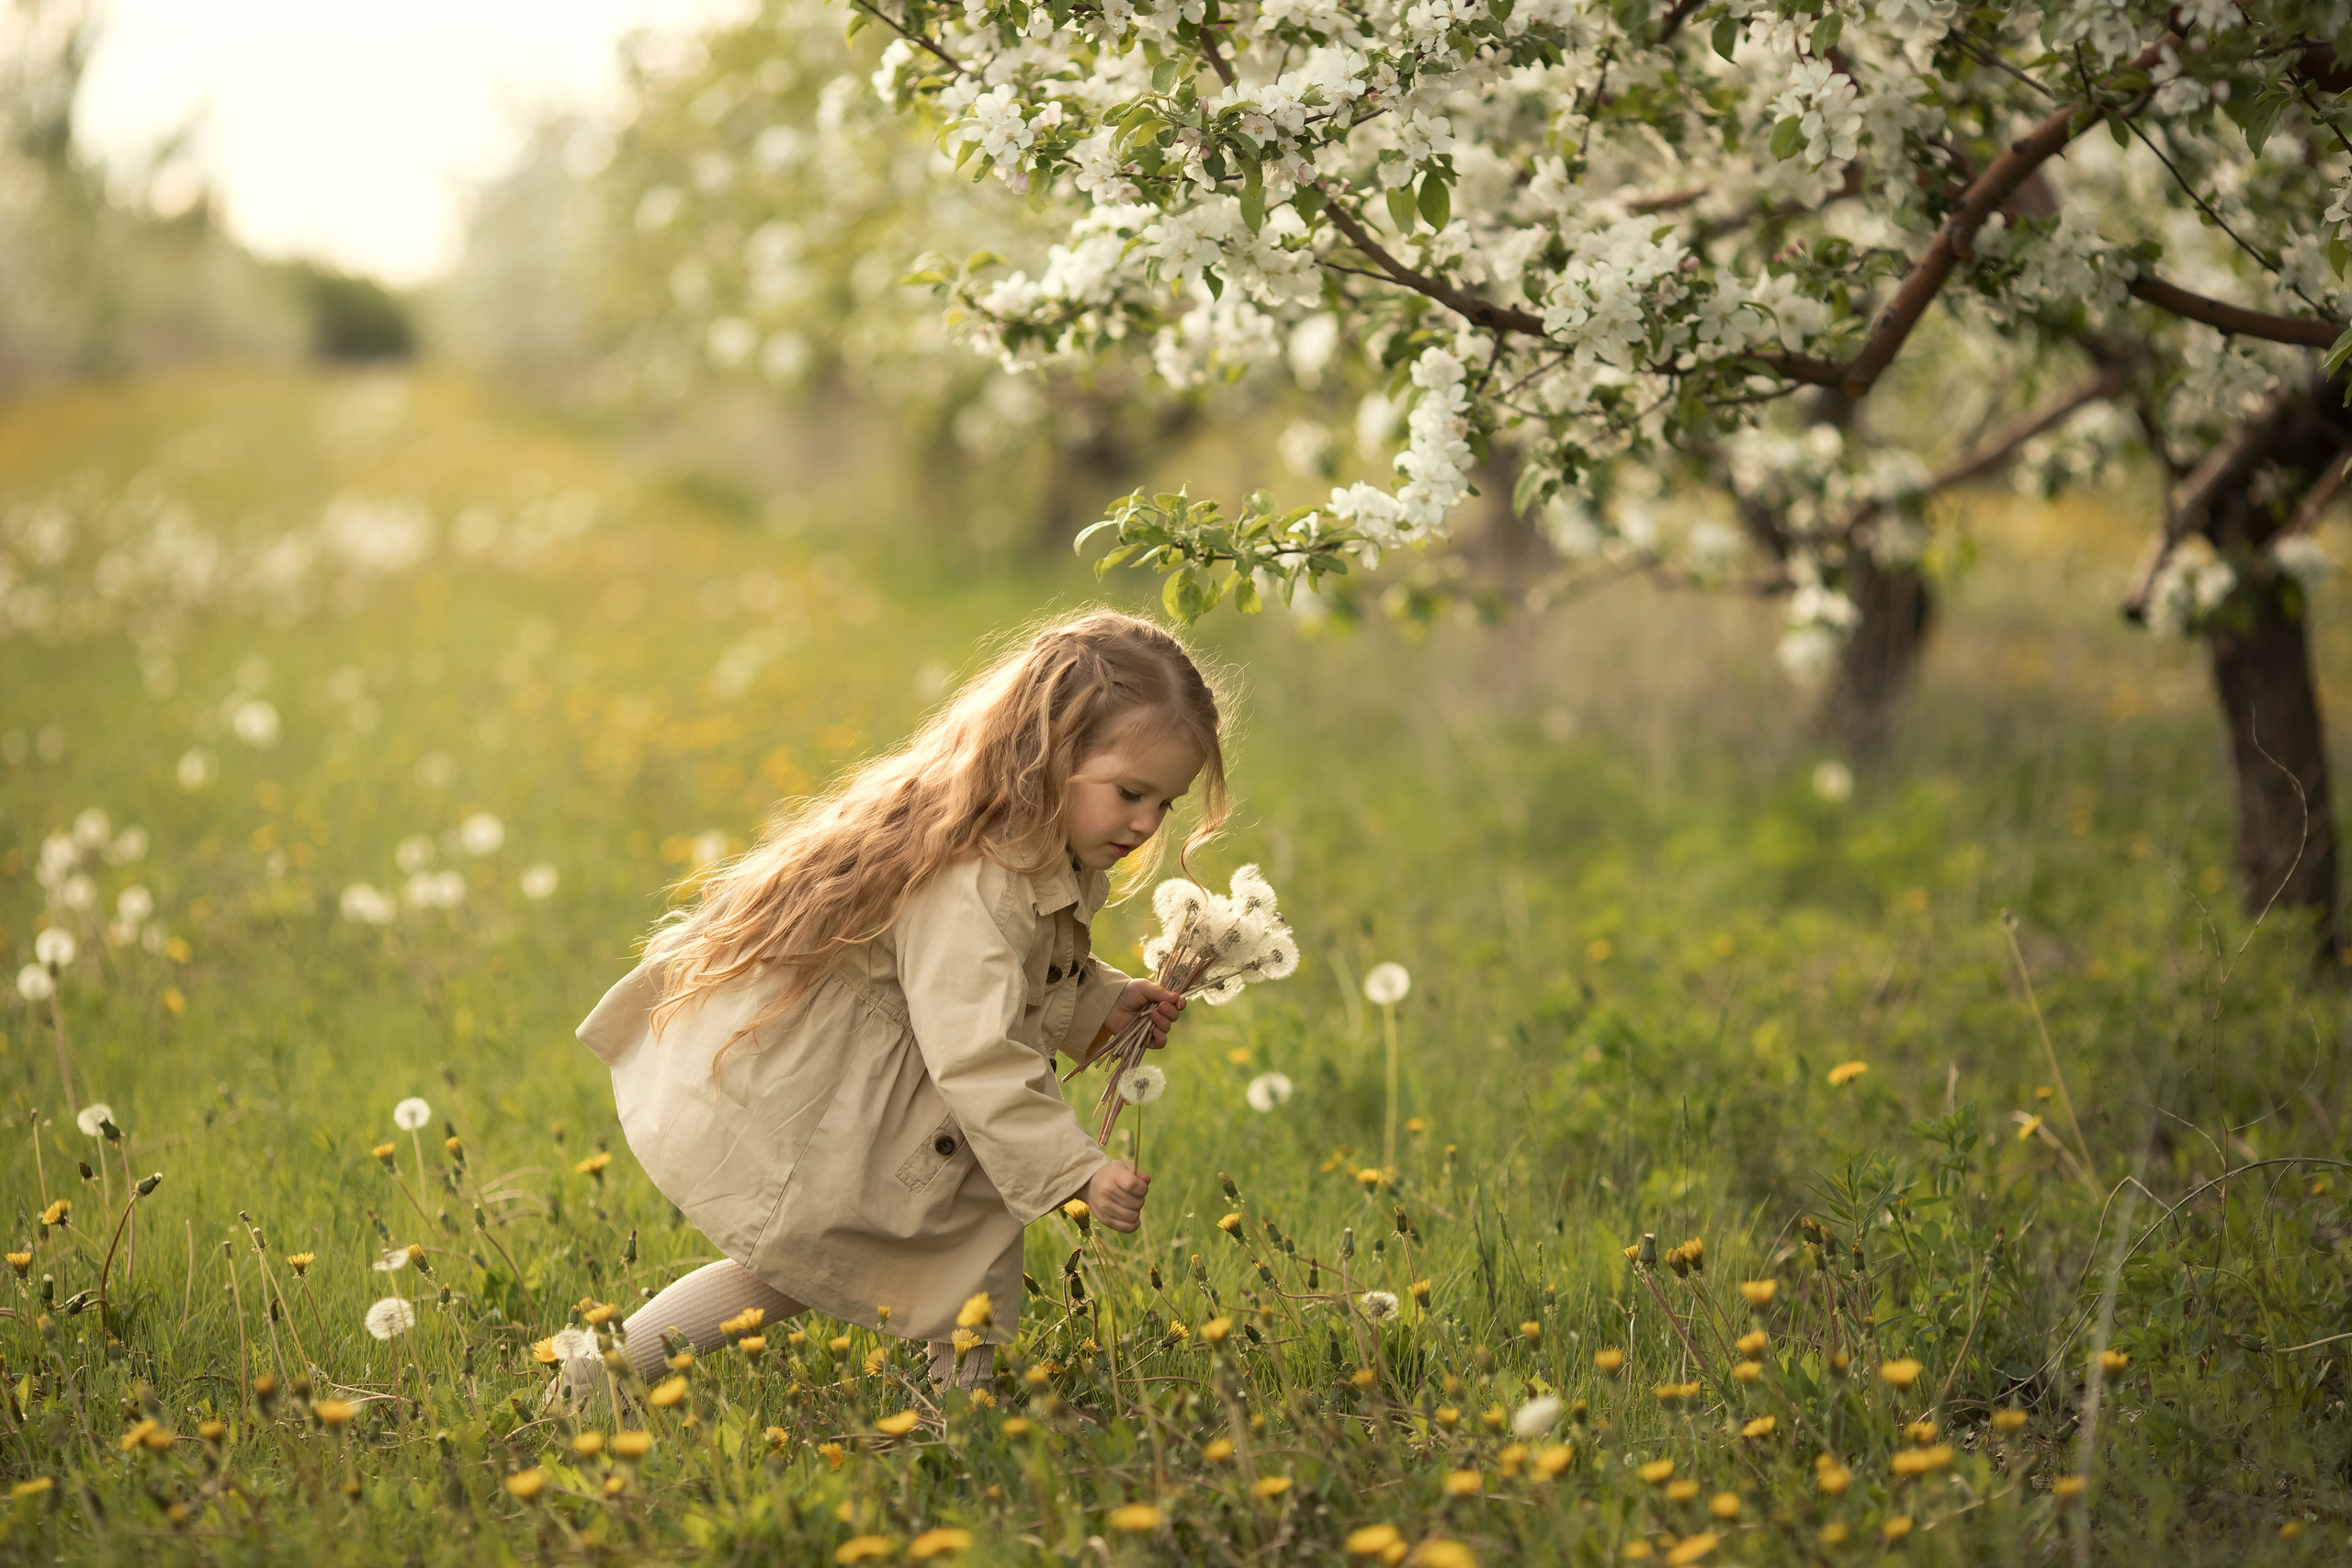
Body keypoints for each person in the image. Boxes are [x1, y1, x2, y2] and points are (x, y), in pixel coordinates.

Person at [566, 608, 1228, 1398]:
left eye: (1166, 803)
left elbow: (1024, 973)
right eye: (1131, 792)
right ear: (1053, 752)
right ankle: (596, 1376)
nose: (1147, 823)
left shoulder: (1041, 849)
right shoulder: (979, 880)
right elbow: (976, 1047)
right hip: (857, 1119)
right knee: (794, 1272)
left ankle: (962, 1422)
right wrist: (1075, 1169)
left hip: (916, 1112)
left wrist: (1106, 1002)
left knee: (952, 1266)